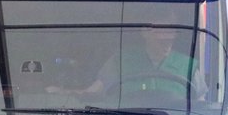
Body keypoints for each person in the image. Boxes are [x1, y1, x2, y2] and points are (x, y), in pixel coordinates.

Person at [51, 25, 204, 101]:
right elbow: (94, 92)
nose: (167, 39)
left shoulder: (189, 67)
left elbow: (202, 106)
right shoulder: (120, 61)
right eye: (161, 32)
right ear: (144, 32)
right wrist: (64, 94)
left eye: (171, 32)